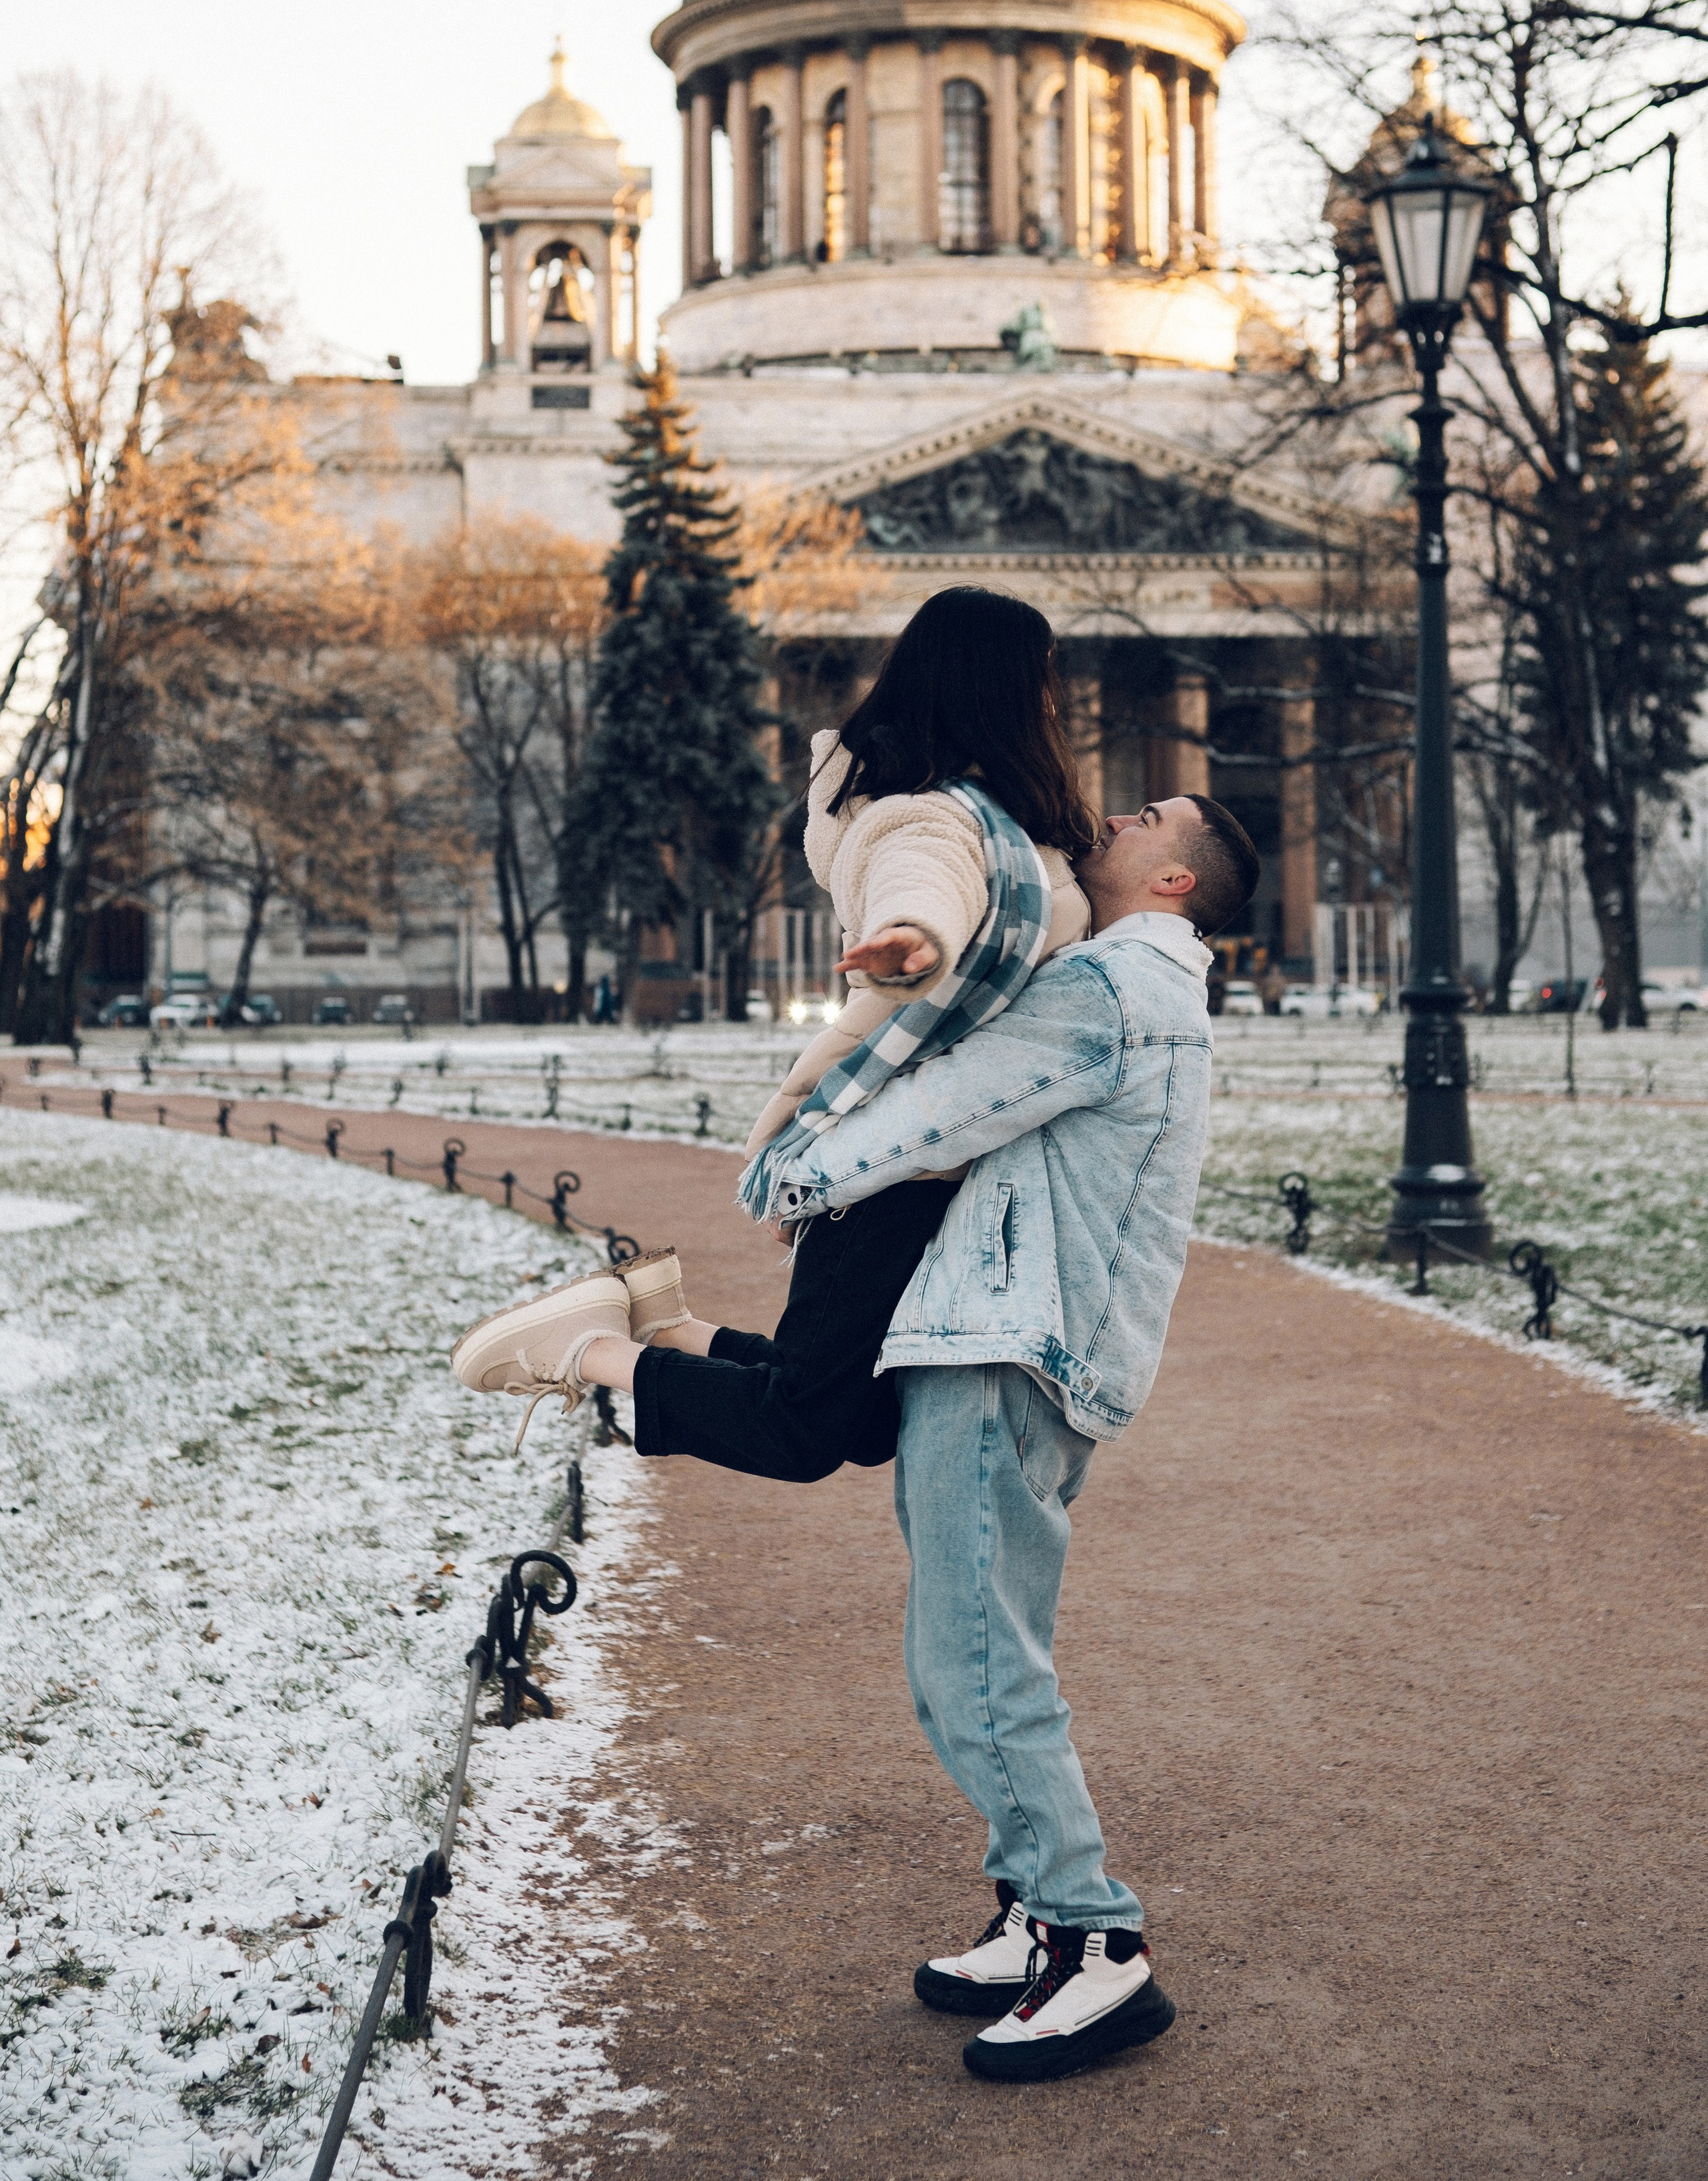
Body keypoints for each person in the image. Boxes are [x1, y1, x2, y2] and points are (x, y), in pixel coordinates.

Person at [459, 780, 1260, 2085]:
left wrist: (796, 1175)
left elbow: (944, 1112)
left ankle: (1093, 1942)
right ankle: (1028, 1907)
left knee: (976, 1664)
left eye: (1148, 817)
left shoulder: (1113, 990)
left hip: (1011, 1350)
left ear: (1176, 878)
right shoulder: (1129, 984)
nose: (1117, 818)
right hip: (1001, 1337)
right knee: (970, 1653)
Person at [452, 585, 1096, 1476]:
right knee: (803, 1430)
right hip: (892, 1166)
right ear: (1003, 688)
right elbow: (927, 879)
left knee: (867, 1420)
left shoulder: (1003, 823)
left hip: (931, 1158)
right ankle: (586, 1348)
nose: (1056, 703)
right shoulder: (932, 816)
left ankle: (669, 1328)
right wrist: (917, 940)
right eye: (1046, 681)